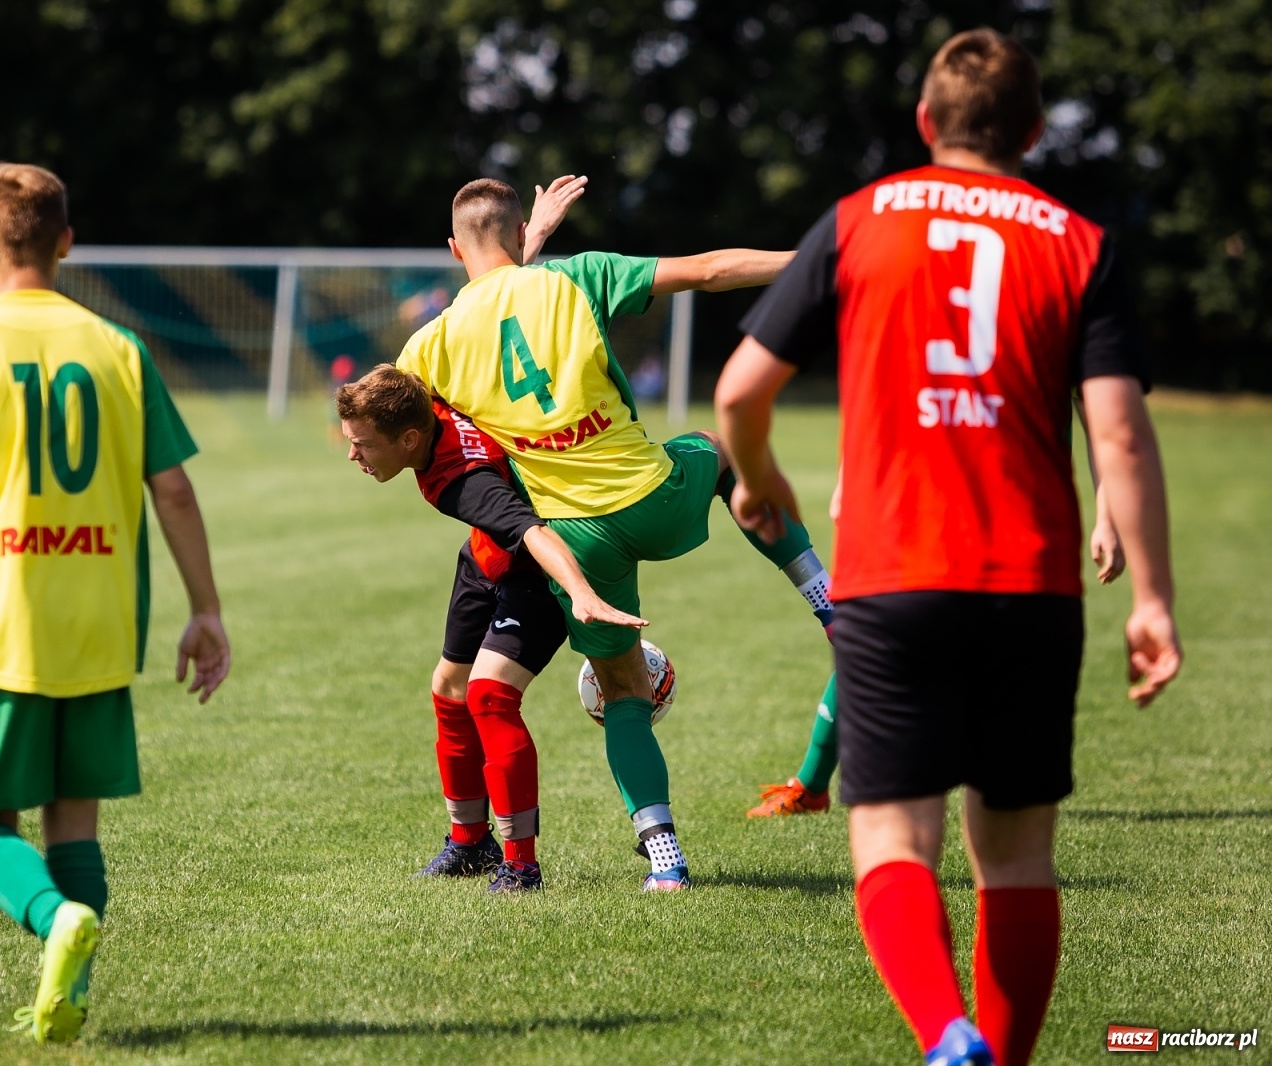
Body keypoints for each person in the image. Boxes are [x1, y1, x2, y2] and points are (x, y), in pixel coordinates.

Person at [716, 29, 1180, 1066]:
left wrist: (757, 478)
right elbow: (1117, 432)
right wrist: (1151, 595)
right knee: (1014, 857)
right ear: (1035, 131)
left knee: (892, 837)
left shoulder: (859, 219)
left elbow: (740, 390)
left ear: (925, 122)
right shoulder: (1079, 242)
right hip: (1031, 582)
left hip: (893, 575)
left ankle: (944, 1031)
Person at [0, 163, 230, 1045]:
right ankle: (68, 991)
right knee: (74, 822)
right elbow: (174, 491)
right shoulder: (119, 349)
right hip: (100, 623)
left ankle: (53, 920)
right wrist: (205, 610)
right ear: (67, 242)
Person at [397, 177, 805, 890]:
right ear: (518, 234)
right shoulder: (574, 279)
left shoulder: (428, 347)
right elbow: (710, 270)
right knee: (719, 448)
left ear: (454, 250)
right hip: (631, 502)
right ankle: (823, 595)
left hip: (564, 538)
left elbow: (397, 409)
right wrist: (818, 261)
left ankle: (648, 861)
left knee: (599, 689)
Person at [338, 364, 644, 891]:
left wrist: (580, 592)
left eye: (361, 444)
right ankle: (469, 843)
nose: (352, 455)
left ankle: (521, 865)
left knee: (490, 694)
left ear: (409, 439)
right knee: (449, 688)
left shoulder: (467, 484)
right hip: (483, 557)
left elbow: (531, 531)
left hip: (534, 572)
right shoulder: (428, 396)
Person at [749, 413, 1129, 820]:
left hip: (1021, 527)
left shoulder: (1053, 365)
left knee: (986, 661)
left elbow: (1103, 420)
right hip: (926, 507)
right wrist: (849, 480)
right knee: (881, 639)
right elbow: (874, 397)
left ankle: (988, 791)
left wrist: (1108, 516)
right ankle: (813, 784)